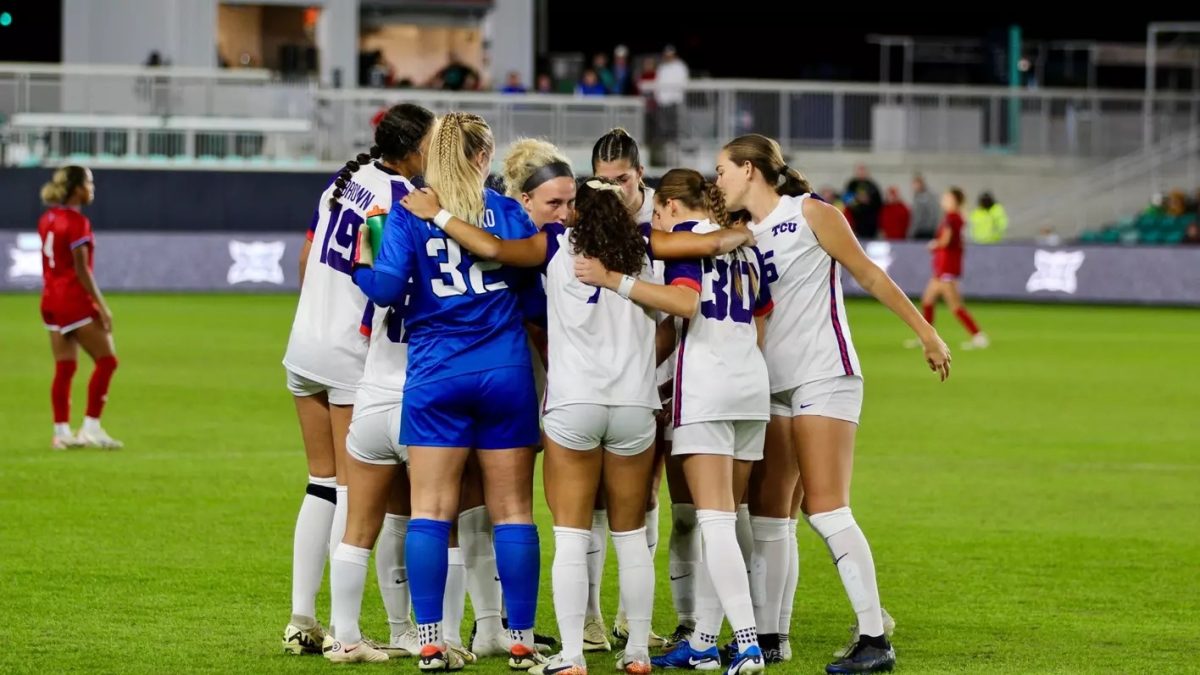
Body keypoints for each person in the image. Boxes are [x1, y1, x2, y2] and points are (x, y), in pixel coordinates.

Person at [403, 172, 754, 675]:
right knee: (631, 536)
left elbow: (493, 248)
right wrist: (741, 231)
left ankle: (570, 655)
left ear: (578, 213)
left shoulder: (554, 243)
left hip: (573, 406)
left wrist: (437, 214)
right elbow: (710, 242)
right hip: (635, 406)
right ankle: (635, 652)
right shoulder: (647, 246)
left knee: (571, 535)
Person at [714, 134, 951, 675]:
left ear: (750, 170)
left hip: (825, 373)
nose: (718, 180)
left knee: (825, 506)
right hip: (770, 383)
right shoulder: (737, 235)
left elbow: (869, 273)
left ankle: (874, 638)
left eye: (723, 169)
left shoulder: (812, 213)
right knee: (772, 513)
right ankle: (772, 637)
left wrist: (927, 333)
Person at [352, 112, 546, 673]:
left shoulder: (410, 212)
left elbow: (387, 290)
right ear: (485, 156)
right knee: (513, 511)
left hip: (437, 372)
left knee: (430, 512)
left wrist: (362, 264)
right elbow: (533, 299)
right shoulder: (508, 213)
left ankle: (432, 639)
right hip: (505, 370)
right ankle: (521, 640)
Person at [576, 168, 774, 675]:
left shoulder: (684, 240)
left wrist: (615, 280)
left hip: (708, 389)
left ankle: (747, 642)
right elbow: (759, 317)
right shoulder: (744, 249)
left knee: (715, 522)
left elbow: (686, 303)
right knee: (724, 522)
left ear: (665, 205)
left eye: (656, 212)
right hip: (752, 386)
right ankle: (705, 641)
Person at [280, 103, 435, 658]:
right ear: (415, 149)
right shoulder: (400, 200)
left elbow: (305, 258)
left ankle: (302, 617)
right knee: (352, 486)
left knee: (320, 481)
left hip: (305, 344)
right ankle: (346, 631)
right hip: (351, 350)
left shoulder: (342, 183)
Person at [37, 165, 122, 450]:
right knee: (108, 361)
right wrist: (101, 305)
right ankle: (91, 428)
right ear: (77, 189)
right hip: (73, 300)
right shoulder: (76, 223)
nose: (92, 188)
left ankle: (61, 432)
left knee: (65, 366)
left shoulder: (48, 218)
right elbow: (81, 269)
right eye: (89, 182)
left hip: (50, 300)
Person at [914, 188, 989, 351]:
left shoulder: (951, 218)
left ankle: (978, 336)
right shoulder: (957, 218)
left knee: (955, 305)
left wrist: (934, 244)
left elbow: (946, 240)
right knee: (927, 300)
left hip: (947, 267)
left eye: (947, 198)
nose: (943, 200)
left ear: (955, 201)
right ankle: (926, 337)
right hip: (945, 267)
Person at [843, 165, 882, 239]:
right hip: (854, 220)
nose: (861, 173)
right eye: (859, 171)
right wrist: (857, 199)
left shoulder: (872, 185)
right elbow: (846, 200)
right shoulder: (852, 185)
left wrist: (868, 201)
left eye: (863, 171)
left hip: (870, 222)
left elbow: (878, 203)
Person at [908, 174, 940, 240]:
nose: (914, 187)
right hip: (921, 231)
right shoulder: (917, 197)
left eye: (916, 184)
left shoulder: (929, 197)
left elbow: (932, 214)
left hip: (926, 231)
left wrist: (912, 231)